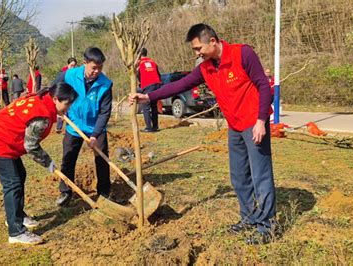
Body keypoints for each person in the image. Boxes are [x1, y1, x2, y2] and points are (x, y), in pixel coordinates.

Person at [129, 24, 275, 245]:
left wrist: (261, 120)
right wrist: (148, 97)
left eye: (199, 48)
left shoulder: (242, 54)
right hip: (234, 126)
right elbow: (180, 84)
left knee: (260, 176)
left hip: (254, 124)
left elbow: (264, 86)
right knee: (239, 177)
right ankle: (249, 218)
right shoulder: (206, 67)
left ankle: (267, 227)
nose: (197, 53)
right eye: (194, 50)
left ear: (213, 42)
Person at [0, 83, 78, 245]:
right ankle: (16, 231)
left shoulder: (40, 98)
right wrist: (48, 163)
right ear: (56, 99)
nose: (68, 109)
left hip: (2, 139)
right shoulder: (42, 117)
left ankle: (17, 215)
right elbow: (30, 146)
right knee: (13, 183)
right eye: (66, 105)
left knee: (20, 175)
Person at [53, 47, 113, 207]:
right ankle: (66, 191)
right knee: (68, 158)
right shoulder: (70, 75)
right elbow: (53, 89)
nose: (97, 71)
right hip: (74, 125)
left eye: (100, 68)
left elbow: (105, 112)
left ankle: (104, 193)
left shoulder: (105, 84)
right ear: (85, 63)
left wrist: (95, 135)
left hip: (95, 127)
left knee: (102, 160)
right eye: (94, 68)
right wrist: (57, 107)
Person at [137, 48, 161, 132]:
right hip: (157, 85)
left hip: (148, 85)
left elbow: (139, 77)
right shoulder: (153, 62)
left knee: (146, 107)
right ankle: (155, 126)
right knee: (154, 106)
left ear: (139, 55)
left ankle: (148, 127)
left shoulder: (139, 64)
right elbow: (158, 74)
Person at [54, 57, 78, 134]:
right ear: (68, 65)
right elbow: (56, 84)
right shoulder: (64, 74)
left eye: (74, 65)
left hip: (72, 97)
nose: (73, 67)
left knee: (70, 113)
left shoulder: (76, 74)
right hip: (64, 96)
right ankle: (58, 128)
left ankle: (69, 128)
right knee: (61, 113)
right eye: (71, 65)